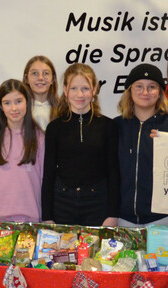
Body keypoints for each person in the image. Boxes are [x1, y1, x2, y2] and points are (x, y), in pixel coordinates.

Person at [41, 63, 120, 227]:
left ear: (94, 89)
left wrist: (113, 213)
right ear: (65, 90)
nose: (79, 94)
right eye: (74, 88)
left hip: (97, 205)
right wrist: (47, 216)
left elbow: (113, 172)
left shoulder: (108, 126)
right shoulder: (54, 128)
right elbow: (48, 174)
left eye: (85, 88)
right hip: (62, 205)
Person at [116, 63, 168, 227]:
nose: (145, 92)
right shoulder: (116, 126)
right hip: (122, 219)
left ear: (160, 92)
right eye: (139, 86)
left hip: (161, 220)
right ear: (130, 91)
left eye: (152, 87)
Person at [0, 79, 44, 222]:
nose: (14, 108)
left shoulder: (39, 137)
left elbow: (45, 182)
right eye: (7, 103)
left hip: (31, 220)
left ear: (27, 102)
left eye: (18, 101)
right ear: (0, 106)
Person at [22, 56, 59, 130]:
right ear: (26, 79)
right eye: (35, 73)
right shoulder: (20, 109)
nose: (40, 78)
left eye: (46, 73)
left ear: (53, 79)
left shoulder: (62, 109)